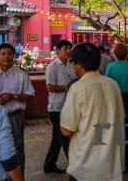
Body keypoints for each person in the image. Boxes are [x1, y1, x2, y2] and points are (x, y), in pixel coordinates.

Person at [60, 43, 124, 181]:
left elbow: (66, 130)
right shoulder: (112, 84)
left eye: (72, 61)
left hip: (85, 165)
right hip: (111, 163)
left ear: (78, 64)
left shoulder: (78, 88)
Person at [0, 42, 35, 177]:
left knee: (17, 148)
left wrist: (14, 96)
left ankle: (19, 177)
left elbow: (30, 95)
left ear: (14, 56)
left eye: (10, 54)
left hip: (15, 116)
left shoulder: (22, 75)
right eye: (3, 54)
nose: (6, 57)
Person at [105, 42, 128, 174]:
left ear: (114, 54)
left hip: (114, 100)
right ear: (126, 53)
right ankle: (127, 164)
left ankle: (115, 162)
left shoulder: (110, 67)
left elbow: (107, 86)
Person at [43, 40, 73, 174]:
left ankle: (49, 165)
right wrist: (68, 88)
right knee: (64, 137)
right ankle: (75, 165)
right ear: (58, 51)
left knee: (57, 138)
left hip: (68, 106)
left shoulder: (71, 66)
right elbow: (50, 87)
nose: (68, 51)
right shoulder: (53, 66)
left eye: (69, 48)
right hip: (56, 108)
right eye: (65, 48)